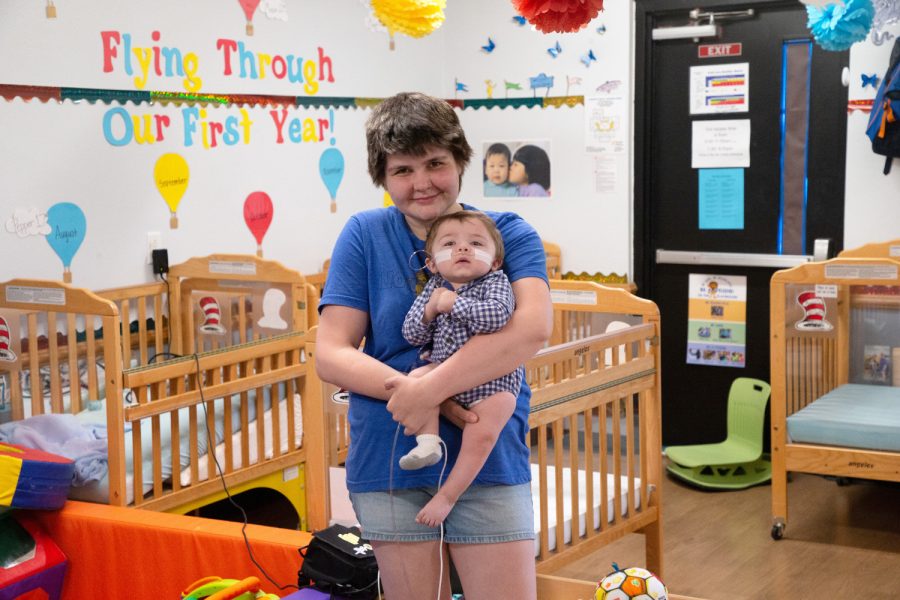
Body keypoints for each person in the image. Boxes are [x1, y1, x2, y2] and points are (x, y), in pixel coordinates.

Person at [315, 91, 552, 600]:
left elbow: (531, 329)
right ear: (383, 177)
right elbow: (331, 353)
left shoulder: (506, 233)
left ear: (459, 162)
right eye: (402, 170)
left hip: (487, 456)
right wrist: (416, 393)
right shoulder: (364, 233)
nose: (422, 183)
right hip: (389, 455)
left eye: (436, 163)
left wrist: (433, 388)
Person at [399, 210, 521, 528]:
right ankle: (428, 444)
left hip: (493, 381)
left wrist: (454, 304)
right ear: (432, 263)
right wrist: (429, 310)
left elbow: (497, 317)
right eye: (450, 243)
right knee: (414, 380)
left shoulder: (495, 282)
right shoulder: (434, 289)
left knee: (481, 435)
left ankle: (448, 496)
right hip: (444, 371)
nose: (463, 249)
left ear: (494, 261)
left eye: (476, 243)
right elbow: (411, 334)